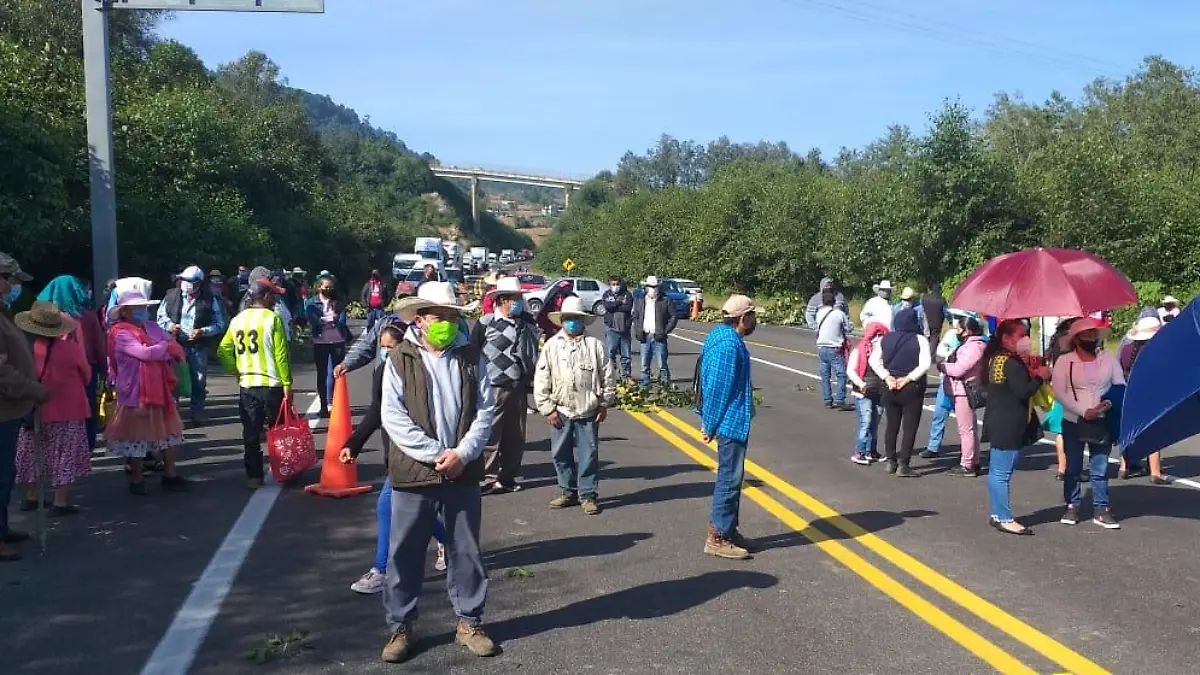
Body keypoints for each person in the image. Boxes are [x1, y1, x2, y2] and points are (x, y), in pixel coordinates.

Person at [378, 281, 497, 663]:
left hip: (461, 471)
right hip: (415, 472)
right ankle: (400, 626)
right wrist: (435, 454)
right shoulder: (399, 359)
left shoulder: (471, 357)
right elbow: (393, 419)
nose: (445, 322)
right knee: (405, 552)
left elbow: (485, 410)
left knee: (465, 549)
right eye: (438, 316)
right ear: (420, 319)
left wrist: (463, 453)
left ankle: (469, 621)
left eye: (450, 316)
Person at [342, 325, 445, 594]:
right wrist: (353, 444)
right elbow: (376, 412)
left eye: (392, 347)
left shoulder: (417, 371)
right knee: (412, 510)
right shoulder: (380, 372)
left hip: (416, 452)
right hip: (395, 455)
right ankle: (454, 545)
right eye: (383, 347)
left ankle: (381, 569)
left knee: (388, 507)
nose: (386, 352)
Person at [534, 296, 615, 515]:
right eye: (568, 318)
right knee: (560, 454)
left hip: (587, 410)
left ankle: (587, 495)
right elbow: (542, 378)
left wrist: (604, 403)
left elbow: (607, 375)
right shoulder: (551, 346)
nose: (572, 323)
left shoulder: (595, 346)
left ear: (582, 320)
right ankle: (567, 491)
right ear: (562, 320)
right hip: (560, 410)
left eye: (576, 319)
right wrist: (546, 408)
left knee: (588, 455)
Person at [105, 287, 190, 495]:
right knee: (136, 438)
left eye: (143, 307)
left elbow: (168, 342)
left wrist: (168, 346)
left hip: (159, 389)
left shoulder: (150, 327)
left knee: (169, 433)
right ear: (125, 311)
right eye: (137, 308)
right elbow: (144, 353)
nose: (142, 311)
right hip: (135, 392)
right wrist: (166, 348)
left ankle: (170, 474)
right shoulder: (120, 333)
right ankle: (137, 479)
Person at [14, 302, 92, 516]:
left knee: (31, 453)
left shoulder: (26, 349)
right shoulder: (71, 349)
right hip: (69, 408)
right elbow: (86, 374)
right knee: (64, 455)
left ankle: (31, 497)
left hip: (34, 408)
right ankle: (60, 502)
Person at [218, 278, 293, 489]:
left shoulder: (237, 320)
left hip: (247, 384)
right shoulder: (273, 318)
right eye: (274, 296)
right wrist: (287, 383)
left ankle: (254, 476)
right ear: (266, 297)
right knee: (277, 430)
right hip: (272, 384)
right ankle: (283, 471)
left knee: (251, 431)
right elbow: (280, 354)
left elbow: (223, 350)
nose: (275, 300)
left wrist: (236, 370)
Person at [698, 295, 757, 560]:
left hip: (733, 420)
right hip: (729, 422)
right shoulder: (728, 346)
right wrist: (709, 424)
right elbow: (716, 389)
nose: (755, 321)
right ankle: (717, 536)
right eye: (753, 316)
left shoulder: (723, 337)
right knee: (729, 480)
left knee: (733, 478)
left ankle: (729, 530)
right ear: (742, 319)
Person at [1051, 317, 1124, 529]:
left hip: (1102, 420)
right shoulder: (1065, 362)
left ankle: (1101, 508)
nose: (1092, 337)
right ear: (1076, 339)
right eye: (1087, 334)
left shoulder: (1108, 360)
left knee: (1099, 468)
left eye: (1094, 333)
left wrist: (1106, 404)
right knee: (1073, 466)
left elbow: (1119, 385)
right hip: (1074, 420)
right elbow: (1059, 391)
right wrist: (1083, 411)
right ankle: (1072, 505)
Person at [470, 277, 539, 494]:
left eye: (520, 298)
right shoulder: (486, 323)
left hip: (517, 385)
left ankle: (507, 477)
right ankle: (487, 478)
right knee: (491, 433)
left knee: (515, 434)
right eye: (514, 299)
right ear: (502, 301)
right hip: (493, 386)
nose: (518, 303)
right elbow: (473, 353)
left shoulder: (524, 322)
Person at [0, 253, 47, 562]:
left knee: (6, 473)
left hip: (8, 409)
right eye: (11, 279)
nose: (14, 285)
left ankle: (2, 528)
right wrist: (33, 389)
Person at [982, 320, 1048, 535]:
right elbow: (1022, 391)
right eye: (1021, 335)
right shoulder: (1009, 362)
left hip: (998, 419)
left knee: (996, 471)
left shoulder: (997, 358)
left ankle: (996, 513)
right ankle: (1004, 517)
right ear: (1007, 338)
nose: (1025, 339)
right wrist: (1040, 377)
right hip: (1009, 422)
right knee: (1002, 472)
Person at [37, 275, 105, 452]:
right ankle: (85, 449)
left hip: (49, 370)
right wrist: (105, 370)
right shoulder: (87, 316)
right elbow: (99, 345)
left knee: (55, 409)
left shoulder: (45, 317)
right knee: (86, 409)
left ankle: (56, 449)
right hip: (85, 369)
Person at [158, 265, 226, 426]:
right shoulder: (171, 295)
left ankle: (197, 412)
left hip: (198, 346)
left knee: (199, 380)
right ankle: (172, 414)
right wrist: (170, 327)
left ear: (198, 283)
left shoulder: (210, 299)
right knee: (172, 379)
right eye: (183, 280)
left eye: (189, 281)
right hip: (175, 343)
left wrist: (203, 331)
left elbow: (220, 323)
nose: (185, 283)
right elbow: (161, 318)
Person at [869, 308, 931, 476]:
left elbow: (873, 360)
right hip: (911, 387)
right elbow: (925, 364)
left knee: (892, 425)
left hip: (890, 386)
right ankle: (904, 464)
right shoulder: (920, 339)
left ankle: (891, 460)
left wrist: (887, 376)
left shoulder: (885, 339)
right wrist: (908, 378)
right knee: (909, 427)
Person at [1117, 316, 1167, 484]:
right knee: (1153, 430)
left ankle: (1124, 466)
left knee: (1130, 430)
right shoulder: (1156, 349)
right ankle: (1155, 471)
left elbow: (1121, 367)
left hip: (1129, 390)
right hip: (1151, 392)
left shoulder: (1126, 349)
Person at [939, 316, 987, 476]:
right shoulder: (971, 345)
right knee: (970, 428)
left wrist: (943, 366)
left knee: (966, 429)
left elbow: (960, 369)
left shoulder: (973, 348)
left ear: (968, 331)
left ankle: (967, 464)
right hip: (962, 389)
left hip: (964, 390)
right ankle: (974, 460)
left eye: (960, 329)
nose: (957, 332)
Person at [305, 273, 350, 417]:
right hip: (321, 342)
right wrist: (329, 319)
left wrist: (327, 320)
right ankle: (323, 405)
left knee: (338, 373)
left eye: (331, 287)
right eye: (326, 287)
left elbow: (341, 321)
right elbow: (313, 320)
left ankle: (337, 404)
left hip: (337, 341)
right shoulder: (312, 303)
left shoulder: (338, 302)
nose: (329, 290)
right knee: (322, 374)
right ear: (319, 288)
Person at [847, 322, 888, 465]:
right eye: (877, 335)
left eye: (882, 335)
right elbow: (850, 370)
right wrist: (860, 383)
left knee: (875, 423)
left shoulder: (885, 352)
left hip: (879, 391)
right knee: (866, 421)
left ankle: (872, 451)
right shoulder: (859, 350)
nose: (879, 338)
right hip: (863, 392)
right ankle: (859, 452)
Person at [632, 275, 678, 388]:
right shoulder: (640, 301)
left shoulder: (665, 300)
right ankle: (645, 384)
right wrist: (638, 330)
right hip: (645, 335)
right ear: (646, 287)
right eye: (651, 286)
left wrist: (665, 331)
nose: (653, 289)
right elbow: (635, 317)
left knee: (662, 363)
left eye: (655, 287)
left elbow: (673, 316)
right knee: (644, 363)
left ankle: (664, 383)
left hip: (659, 336)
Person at [814, 291, 853, 410]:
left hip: (821, 346)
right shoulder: (839, 314)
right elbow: (847, 328)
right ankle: (840, 399)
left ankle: (827, 399)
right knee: (841, 374)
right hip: (834, 347)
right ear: (834, 302)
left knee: (825, 374)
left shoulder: (819, 313)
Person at [601, 275, 635, 380]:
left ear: (621, 284)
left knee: (626, 355)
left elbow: (628, 307)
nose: (615, 286)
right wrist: (619, 302)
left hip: (624, 329)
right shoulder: (606, 294)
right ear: (610, 284)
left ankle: (626, 376)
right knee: (610, 353)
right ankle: (610, 375)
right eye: (613, 284)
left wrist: (614, 305)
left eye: (617, 284)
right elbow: (608, 307)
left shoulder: (627, 294)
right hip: (611, 328)